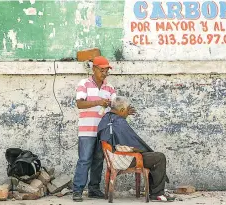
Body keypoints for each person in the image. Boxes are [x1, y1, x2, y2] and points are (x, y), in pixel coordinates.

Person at [97, 96, 175, 202]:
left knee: (152, 156)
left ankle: (155, 191)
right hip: (125, 159)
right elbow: (132, 144)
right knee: (159, 157)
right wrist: (141, 149)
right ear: (122, 110)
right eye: (127, 110)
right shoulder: (119, 122)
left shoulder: (106, 118)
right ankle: (157, 193)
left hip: (113, 158)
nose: (128, 112)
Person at [72, 56, 116, 202]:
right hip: (86, 130)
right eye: (101, 70)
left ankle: (93, 189)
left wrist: (120, 108)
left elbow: (115, 108)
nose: (104, 73)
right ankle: (77, 190)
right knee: (84, 160)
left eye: (106, 71)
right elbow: (80, 104)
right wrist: (99, 102)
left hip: (102, 131)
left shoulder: (110, 88)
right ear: (94, 69)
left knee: (98, 160)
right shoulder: (84, 84)